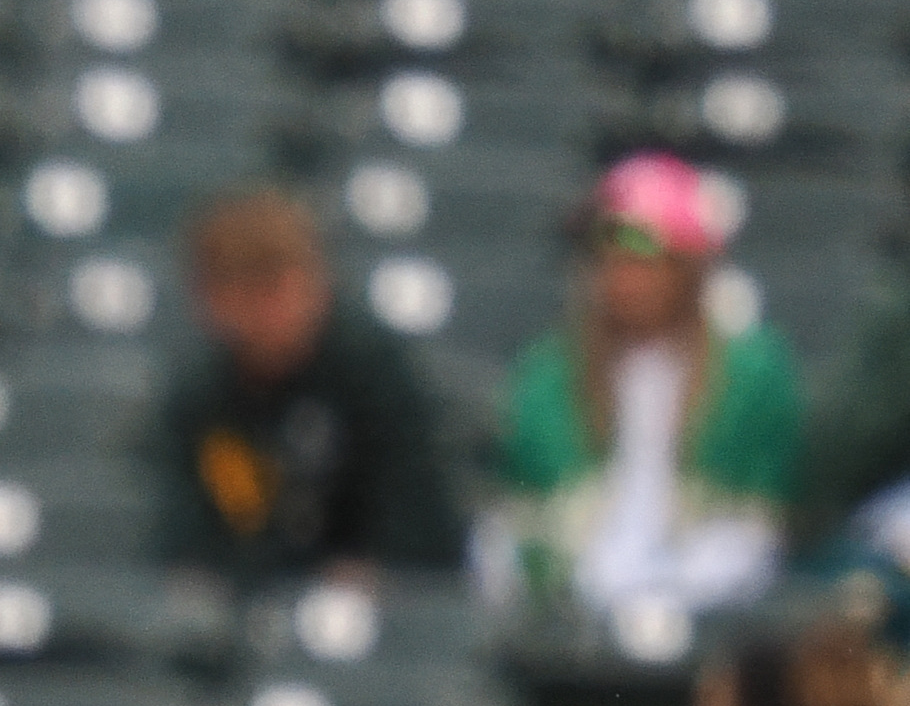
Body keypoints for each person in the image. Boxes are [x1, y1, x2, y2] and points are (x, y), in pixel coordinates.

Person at [483, 153, 805, 621]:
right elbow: (519, 525)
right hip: (571, 613)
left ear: (688, 268)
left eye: (642, 255)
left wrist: (672, 593)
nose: (622, 275)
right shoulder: (547, 375)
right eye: (606, 254)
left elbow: (757, 529)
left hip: (711, 610)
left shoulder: (752, 374)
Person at [151, 186, 464, 583]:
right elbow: (192, 538)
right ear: (210, 300)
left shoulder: (373, 372)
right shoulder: (201, 399)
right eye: (246, 287)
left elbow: (422, 518)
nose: (268, 310)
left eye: (279, 283)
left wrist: (370, 573)